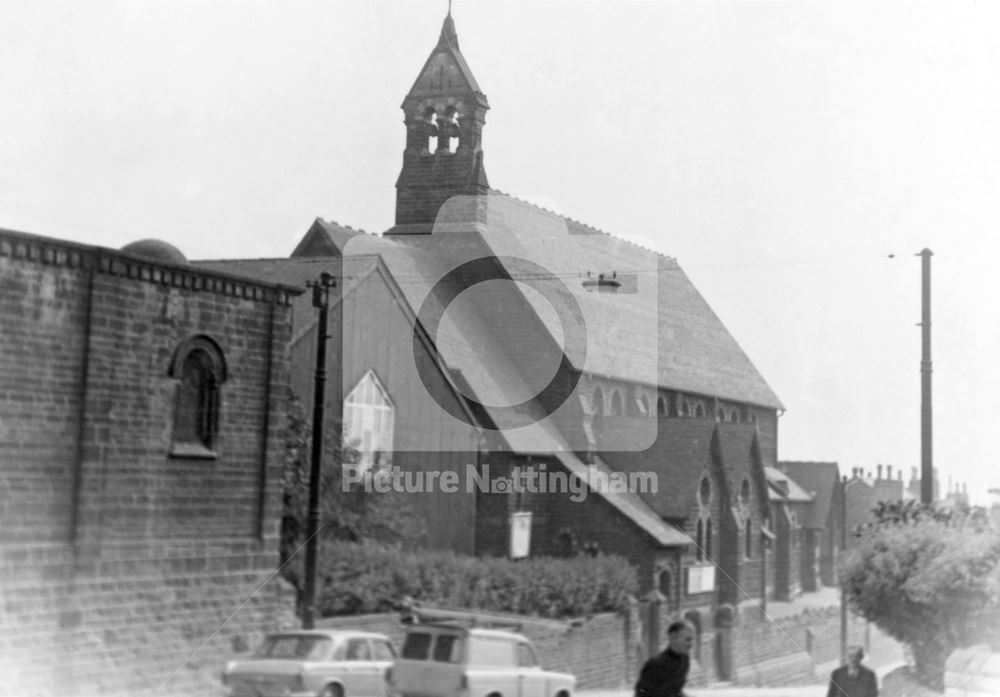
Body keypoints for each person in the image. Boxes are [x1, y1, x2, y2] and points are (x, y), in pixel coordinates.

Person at [635, 621, 694, 697]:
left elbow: (674, 690)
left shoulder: (685, 660)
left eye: (692, 640)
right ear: (673, 637)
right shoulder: (655, 665)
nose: (691, 645)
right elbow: (641, 693)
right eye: (687, 639)